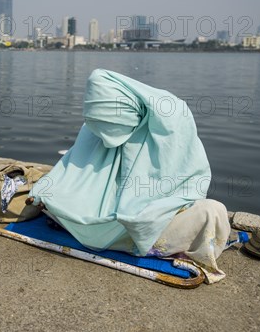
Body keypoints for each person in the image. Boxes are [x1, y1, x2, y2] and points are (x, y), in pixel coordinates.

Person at [27, 68, 232, 283]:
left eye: (109, 127)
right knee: (54, 199)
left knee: (212, 212)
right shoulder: (95, 125)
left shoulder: (172, 124)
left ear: (128, 111)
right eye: (98, 127)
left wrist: (147, 210)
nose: (105, 137)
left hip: (158, 205)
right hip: (112, 212)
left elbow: (187, 183)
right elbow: (72, 169)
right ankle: (125, 234)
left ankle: (123, 232)